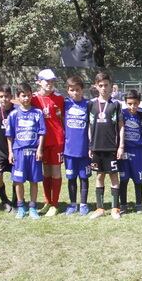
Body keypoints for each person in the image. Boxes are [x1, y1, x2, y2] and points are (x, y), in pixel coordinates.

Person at [7, 82, 46, 220]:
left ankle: (33, 207)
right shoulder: (13, 114)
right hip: (19, 152)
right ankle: (21, 206)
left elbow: (41, 132)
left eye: (28, 95)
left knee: (34, 180)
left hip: (34, 151)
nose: (26, 98)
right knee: (18, 181)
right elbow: (10, 136)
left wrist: (40, 149)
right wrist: (11, 152)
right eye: (23, 96)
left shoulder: (37, 113)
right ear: (18, 97)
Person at [89, 71, 125, 219]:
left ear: (111, 87)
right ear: (96, 87)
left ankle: (115, 208)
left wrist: (121, 146)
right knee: (99, 176)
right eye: (101, 85)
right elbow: (89, 126)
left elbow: (121, 126)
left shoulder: (115, 104)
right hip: (97, 147)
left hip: (111, 147)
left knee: (114, 176)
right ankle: (100, 208)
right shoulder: (91, 104)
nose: (104, 88)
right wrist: (89, 146)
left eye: (106, 85)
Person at [32, 69, 65, 216]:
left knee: (56, 172)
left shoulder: (59, 98)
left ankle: (55, 204)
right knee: (46, 172)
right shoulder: (33, 99)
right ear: (39, 82)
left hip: (57, 141)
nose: (50, 84)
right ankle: (47, 201)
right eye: (47, 81)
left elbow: (63, 119)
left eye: (52, 81)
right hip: (41, 142)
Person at [62, 75, 91, 216]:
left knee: (84, 178)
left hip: (84, 150)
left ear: (82, 90)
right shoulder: (65, 104)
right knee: (71, 178)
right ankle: (73, 204)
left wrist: (91, 146)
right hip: (69, 151)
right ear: (67, 90)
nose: (75, 92)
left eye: (77, 89)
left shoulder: (88, 105)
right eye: (72, 90)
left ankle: (84, 204)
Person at [119, 89, 142, 214]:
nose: (132, 106)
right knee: (123, 179)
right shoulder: (121, 113)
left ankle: (139, 204)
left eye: (135, 103)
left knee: (138, 179)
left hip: (138, 151)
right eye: (130, 104)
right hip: (124, 151)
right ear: (126, 103)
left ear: (139, 103)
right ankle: (123, 204)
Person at [0, 85, 16, 212]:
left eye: (6, 96)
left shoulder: (16, 111)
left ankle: (16, 202)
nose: (4, 99)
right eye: (1, 96)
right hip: (1, 151)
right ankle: (4, 200)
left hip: (15, 150)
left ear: (11, 97)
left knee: (17, 178)